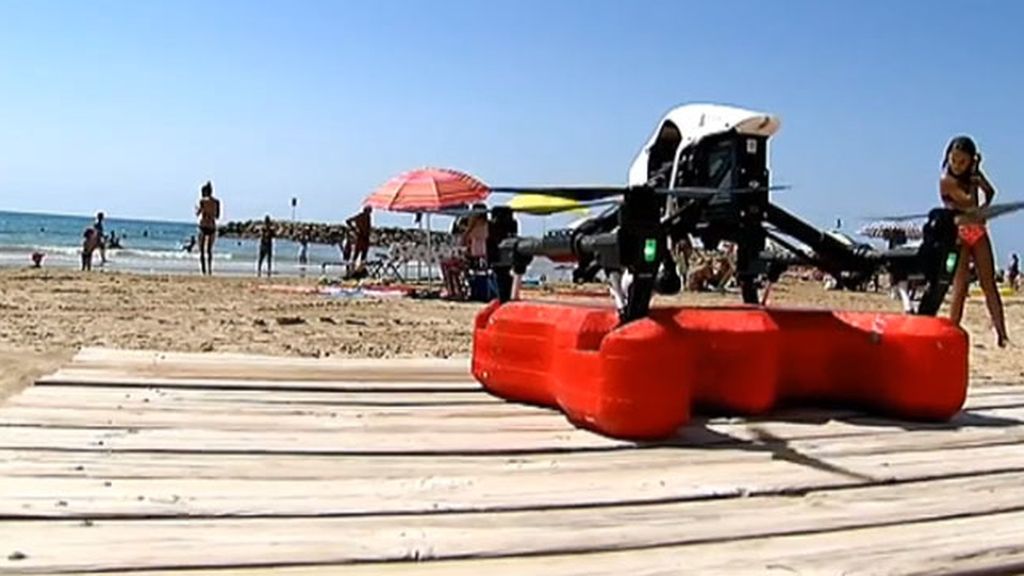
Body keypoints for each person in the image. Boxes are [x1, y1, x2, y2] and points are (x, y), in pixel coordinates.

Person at [939, 135, 1008, 347]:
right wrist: (974, 177)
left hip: (977, 230)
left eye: (963, 162)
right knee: (960, 286)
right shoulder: (946, 180)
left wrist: (985, 206)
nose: (957, 166)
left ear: (970, 160)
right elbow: (968, 201)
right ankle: (953, 330)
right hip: (957, 234)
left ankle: (1001, 333)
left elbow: (990, 191)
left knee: (989, 284)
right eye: (954, 160)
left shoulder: (973, 176)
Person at [195, 181, 221, 275]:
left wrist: (197, 209)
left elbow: (198, 214)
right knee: (209, 251)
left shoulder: (202, 201)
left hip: (203, 226)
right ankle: (210, 269)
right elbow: (217, 216)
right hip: (212, 226)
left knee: (201, 250)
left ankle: (203, 270)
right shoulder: (217, 202)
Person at [346, 206, 372, 271]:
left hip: (365, 238)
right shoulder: (360, 216)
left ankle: (361, 269)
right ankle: (352, 269)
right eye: (369, 211)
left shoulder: (368, 217)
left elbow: (368, 228)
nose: (370, 212)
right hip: (360, 237)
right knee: (356, 254)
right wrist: (355, 229)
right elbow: (348, 221)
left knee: (364, 255)